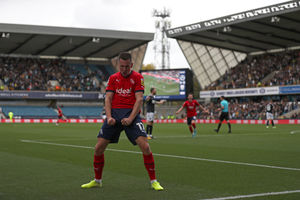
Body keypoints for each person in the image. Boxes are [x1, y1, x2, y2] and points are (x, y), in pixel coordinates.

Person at [81, 52, 164, 191]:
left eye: (126, 66)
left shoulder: (138, 77)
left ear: (131, 65)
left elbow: (138, 99)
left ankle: (154, 181)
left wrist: (131, 118)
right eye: (121, 66)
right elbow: (108, 98)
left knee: (145, 147)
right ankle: (97, 180)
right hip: (114, 115)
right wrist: (109, 117)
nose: (124, 69)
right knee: (98, 148)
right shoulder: (113, 78)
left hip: (131, 115)